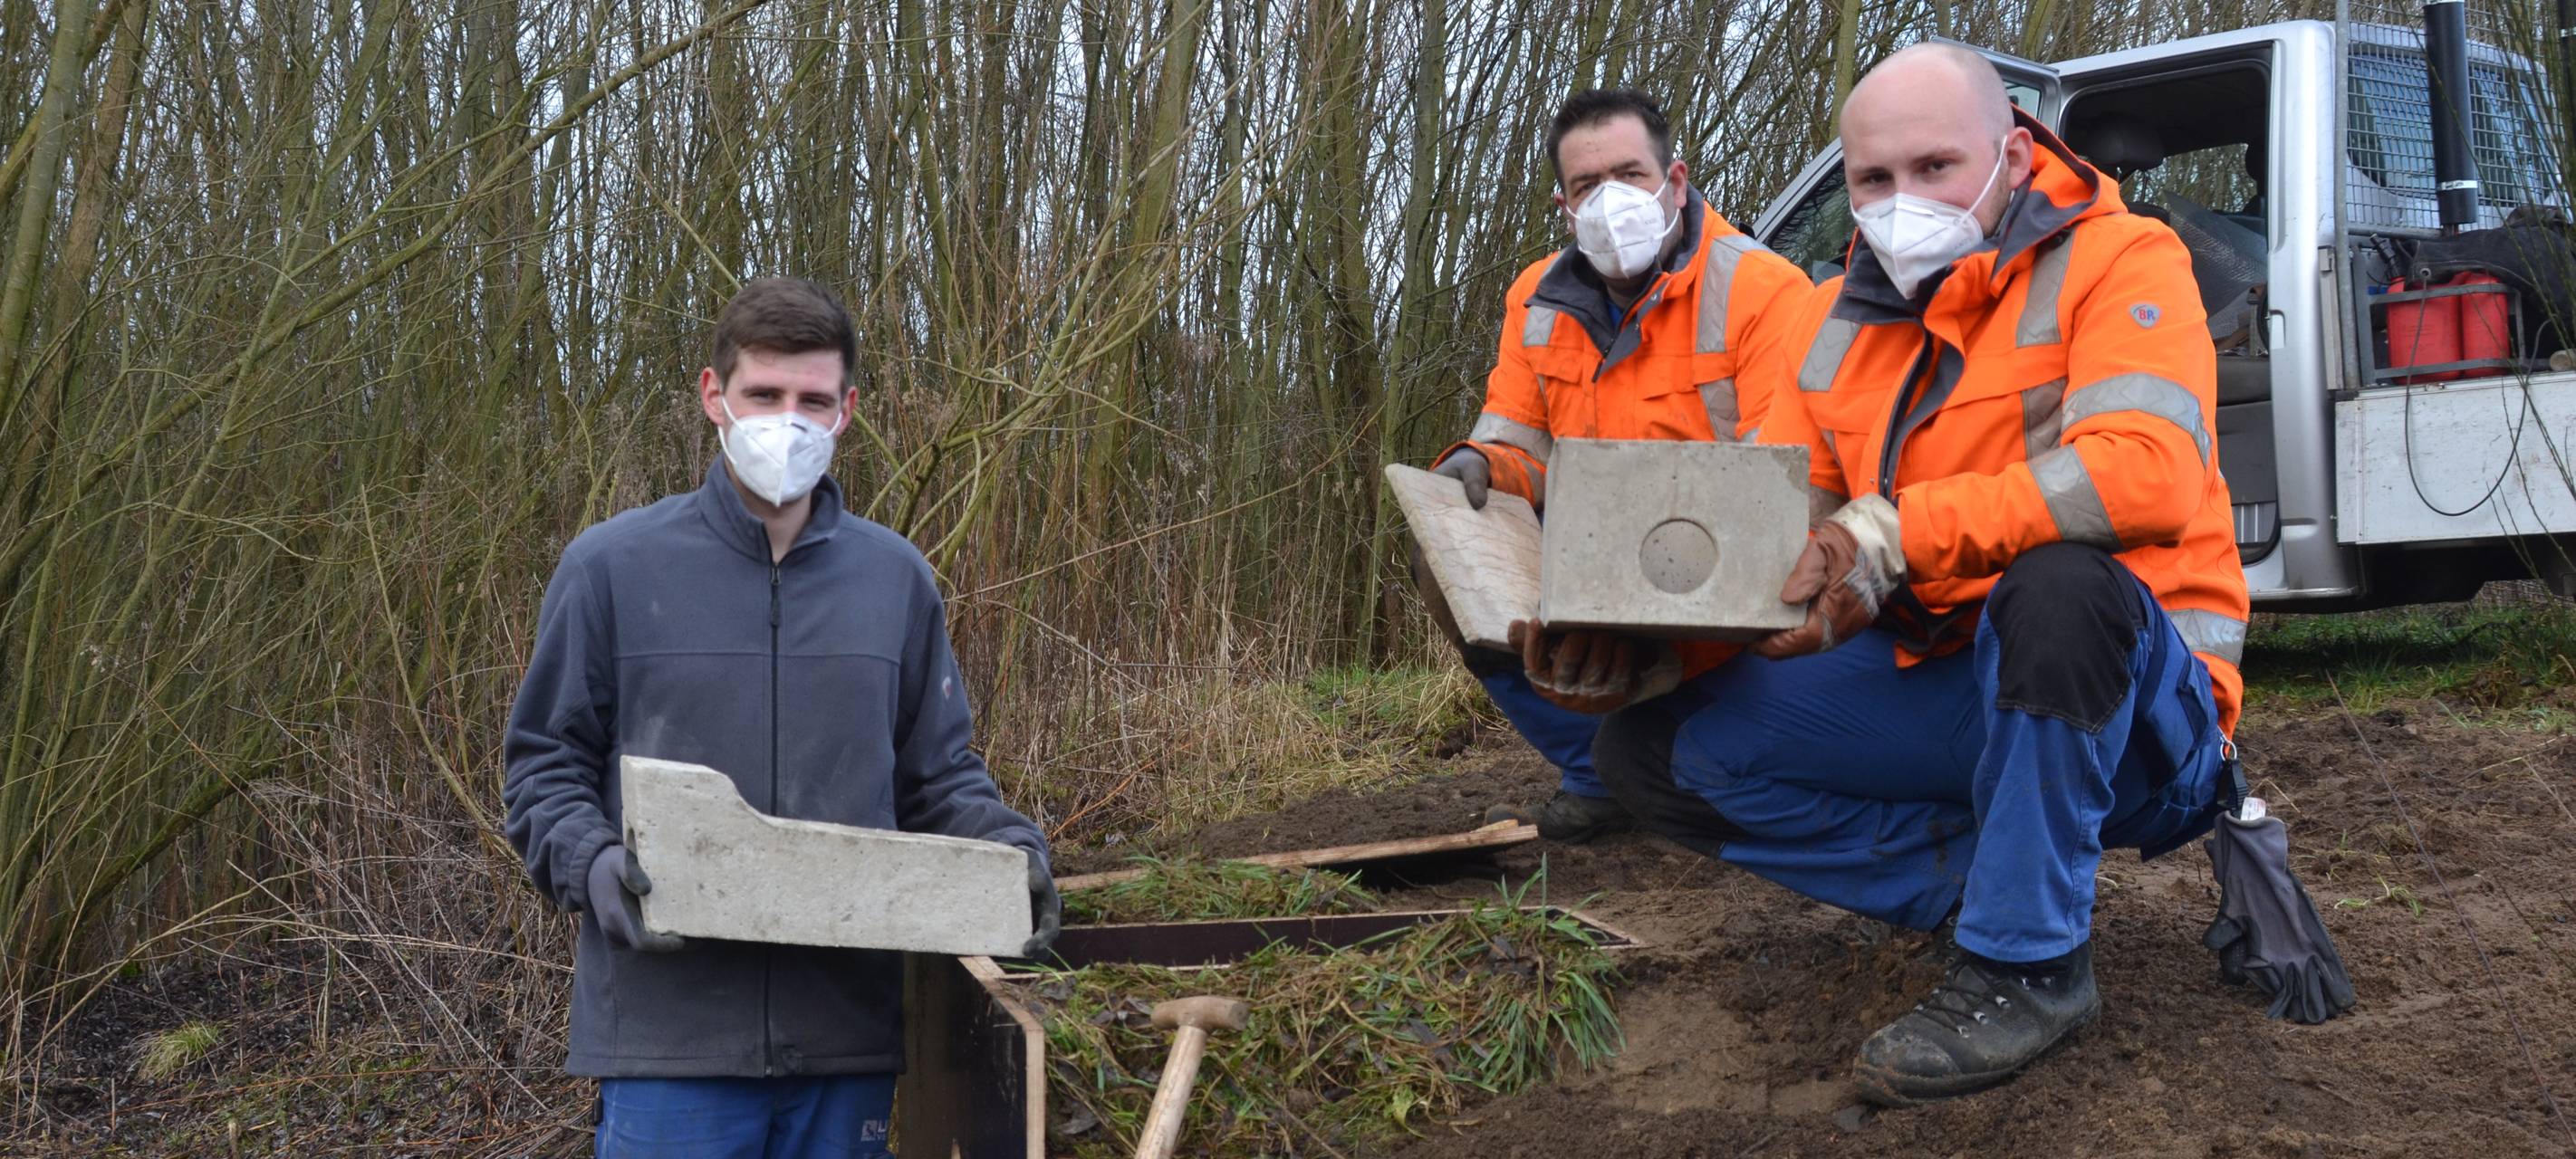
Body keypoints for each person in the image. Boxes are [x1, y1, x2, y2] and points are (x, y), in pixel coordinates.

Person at [1569, 44, 2251, 1105]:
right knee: (1651, 747)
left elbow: (2148, 472)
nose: (1902, 201)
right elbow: (1781, 521)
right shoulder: (1843, 318)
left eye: (1935, 166)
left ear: (2015, 156)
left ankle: (2028, 965)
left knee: (2056, 583)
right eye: (1872, 179)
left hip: (2136, 720)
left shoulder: (2125, 258)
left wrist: (1893, 531)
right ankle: (1978, 886)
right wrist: (1648, 633)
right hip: (1951, 681)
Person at [503, 277, 1061, 1156]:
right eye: (765, 394)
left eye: (812, 399)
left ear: (846, 411)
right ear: (714, 395)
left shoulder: (895, 581)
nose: (786, 420)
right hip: (667, 1040)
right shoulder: (612, 569)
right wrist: (593, 861)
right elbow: (543, 765)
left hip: (844, 1042)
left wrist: (1014, 858)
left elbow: (939, 779)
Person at [1419, 87, 1818, 843]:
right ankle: (1595, 770)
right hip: (1589, 559)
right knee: (1443, 552)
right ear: (1564, 207)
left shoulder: (1765, 290)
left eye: (1629, 176)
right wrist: (1475, 465)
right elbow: (1521, 447)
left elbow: (1779, 490)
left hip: (1719, 576)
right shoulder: (1534, 299)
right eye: (1585, 186)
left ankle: (1682, 748)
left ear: (1674, 180)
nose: (1609, 200)